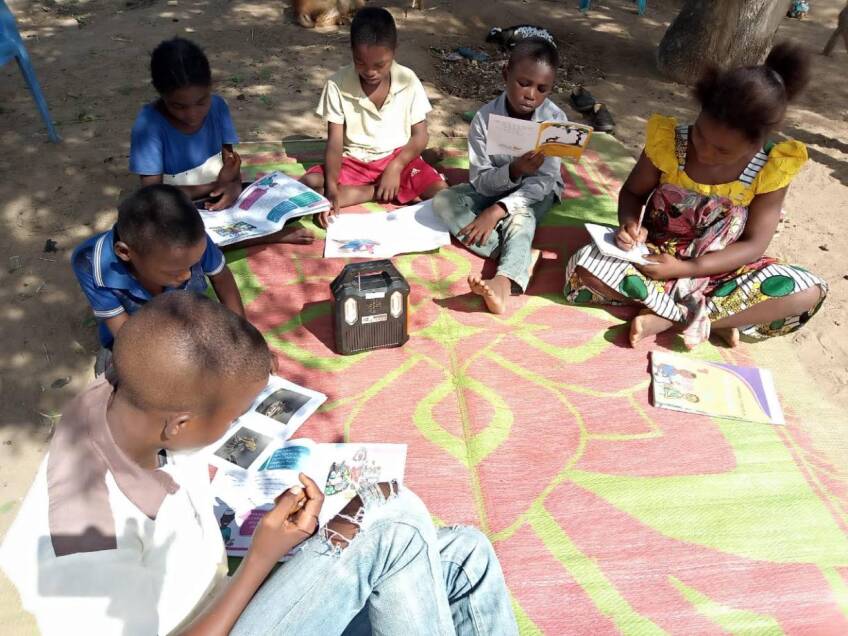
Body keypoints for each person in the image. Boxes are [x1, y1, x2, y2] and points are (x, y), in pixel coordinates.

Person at [0, 292, 518, 635]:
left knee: (465, 555)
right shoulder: (81, 544)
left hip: (223, 601)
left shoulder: (122, 399)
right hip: (217, 620)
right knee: (394, 525)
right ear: (178, 424)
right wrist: (260, 561)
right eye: (231, 417)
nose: (237, 427)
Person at [564, 43, 827, 349]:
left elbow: (754, 245)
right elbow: (633, 193)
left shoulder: (771, 169)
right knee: (583, 270)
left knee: (808, 292)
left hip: (722, 272)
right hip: (653, 260)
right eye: (701, 135)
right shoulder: (669, 143)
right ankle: (711, 319)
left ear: (758, 142)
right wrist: (629, 225)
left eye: (723, 150)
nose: (704, 150)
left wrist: (688, 269)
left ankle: (670, 317)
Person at [129, 37, 311, 246]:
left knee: (283, 199)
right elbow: (154, 195)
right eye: (179, 106)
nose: (192, 114)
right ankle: (269, 236)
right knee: (172, 238)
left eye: (201, 102)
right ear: (161, 95)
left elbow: (230, 161)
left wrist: (232, 185)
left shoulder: (218, 107)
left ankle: (239, 236)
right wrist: (216, 186)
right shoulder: (149, 125)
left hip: (219, 198)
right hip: (176, 205)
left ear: (211, 87)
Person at [433, 38, 567, 314]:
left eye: (542, 89)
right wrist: (514, 170)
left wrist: (499, 209)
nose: (531, 95)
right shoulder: (484, 119)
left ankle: (504, 281)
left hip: (535, 192)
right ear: (506, 74)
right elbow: (480, 180)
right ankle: (520, 255)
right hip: (494, 184)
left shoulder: (555, 122)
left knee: (520, 217)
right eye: (524, 83)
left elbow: (543, 182)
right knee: (444, 201)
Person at [300, 7, 448, 227]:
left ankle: (379, 187)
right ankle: (376, 191)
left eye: (380, 64)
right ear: (351, 51)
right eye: (360, 62)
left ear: (394, 51)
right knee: (306, 185)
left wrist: (396, 167)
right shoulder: (337, 84)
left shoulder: (408, 80)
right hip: (354, 162)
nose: (370, 71)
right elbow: (335, 143)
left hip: (397, 159)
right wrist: (331, 190)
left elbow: (420, 136)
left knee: (443, 197)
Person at [71, 184, 246, 355]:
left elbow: (221, 277)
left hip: (190, 313)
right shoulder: (90, 263)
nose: (188, 275)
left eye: (193, 264)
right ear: (124, 252)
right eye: (174, 271)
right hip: (139, 334)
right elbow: (129, 338)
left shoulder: (189, 239)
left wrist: (244, 337)